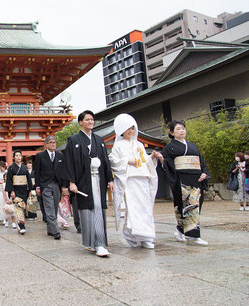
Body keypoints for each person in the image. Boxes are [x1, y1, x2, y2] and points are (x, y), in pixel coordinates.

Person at [61, 110, 114, 257]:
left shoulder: (99, 140)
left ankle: (99, 243)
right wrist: (71, 182)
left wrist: (110, 179)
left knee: (99, 209)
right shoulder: (74, 140)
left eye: (92, 119)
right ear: (80, 122)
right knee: (88, 210)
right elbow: (70, 162)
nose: (91, 122)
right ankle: (93, 243)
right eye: (87, 120)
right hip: (84, 181)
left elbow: (105, 161)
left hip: (99, 180)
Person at [109, 114, 163, 249]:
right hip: (130, 180)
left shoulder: (139, 144)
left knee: (145, 208)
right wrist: (127, 161)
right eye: (127, 129)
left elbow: (145, 161)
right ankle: (135, 234)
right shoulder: (118, 146)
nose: (130, 131)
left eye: (132, 129)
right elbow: (113, 161)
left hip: (142, 177)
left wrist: (153, 157)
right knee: (133, 208)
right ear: (122, 130)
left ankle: (146, 236)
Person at [161, 120, 210, 246]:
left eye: (183, 128)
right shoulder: (169, 147)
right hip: (181, 179)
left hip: (196, 178)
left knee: (195, 204)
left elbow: (201, 160)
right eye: (178, 129)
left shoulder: (193, 146)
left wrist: (204, 172)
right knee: (187, 205)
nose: (182, 131)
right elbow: (168, 163)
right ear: (171, 132)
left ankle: (180, 230)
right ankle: (194, 236)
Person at [33, 135, 65, 240]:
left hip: (57, 184)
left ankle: (50, 229)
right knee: (49, 207)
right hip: (45, 184)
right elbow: (36, 172)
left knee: (55, 207)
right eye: (51, 142)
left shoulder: (60, 156)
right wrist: (37, 186)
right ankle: (56, 231)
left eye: (54, 142)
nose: (53, 144)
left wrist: (64, 186)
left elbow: (63, 171)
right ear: (46, 144)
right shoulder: (40, 156)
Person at [5, 150, 32, 234]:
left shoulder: (24, 167)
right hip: (16, 190)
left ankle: (20, 222)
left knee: (23, 207)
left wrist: (30, 189)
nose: (18, 157)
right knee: (18, 208)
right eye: (16, 156)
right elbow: (9, 180)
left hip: (24, 189)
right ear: (13, 157)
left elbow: (28, 179)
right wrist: (12, 191)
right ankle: (21, 226)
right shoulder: (11, 168)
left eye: (19, 156)